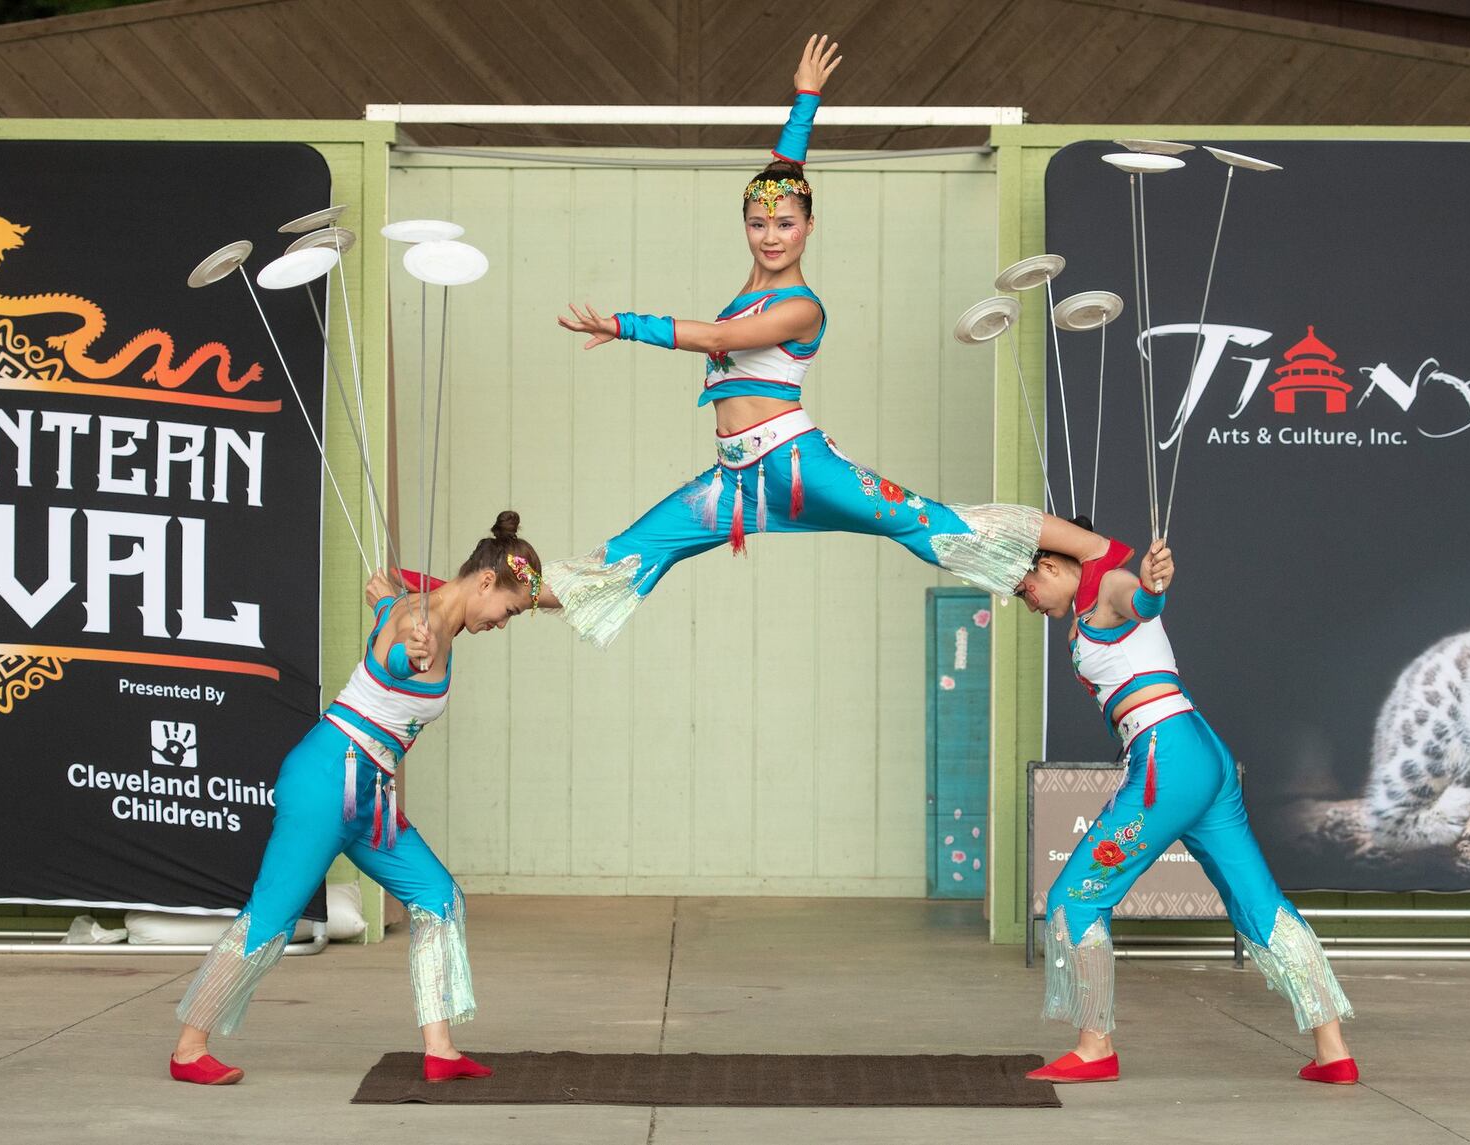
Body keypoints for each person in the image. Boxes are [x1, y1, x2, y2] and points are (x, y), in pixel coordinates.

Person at [544, 35, 1107, 644]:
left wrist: (623, 325)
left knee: (928, 526)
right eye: (758, 224)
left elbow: (718, 336)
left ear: (810, 227)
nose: (770, 236)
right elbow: (783, 175)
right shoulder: (752, 282)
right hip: (735, 483)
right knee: (630, 555)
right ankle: (495, 589)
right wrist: (806, 97)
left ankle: (1096, 552)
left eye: (786, 224)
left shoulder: (801, 308)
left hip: (801, 465)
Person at [167, 512, 543, 1086]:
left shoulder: (432, 599)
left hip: (370, 797)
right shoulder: (420, 628)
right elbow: (398, 648)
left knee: (438, 898)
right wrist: (404, 643)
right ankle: (189, 1050)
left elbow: (390, 581)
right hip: (325, 780)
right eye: (509, 612)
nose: (503, 623)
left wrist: (387, 593)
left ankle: (440, 1050)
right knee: (271, 917)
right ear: (486, 583)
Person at [1017, 525, 1358, 1085]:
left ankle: (1095, 1047)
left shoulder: (1106, 588)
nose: (1026, 601)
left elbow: (1140, 600)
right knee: (1258, 903)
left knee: (1072, 900)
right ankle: (1332, 1050)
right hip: (1202, 753)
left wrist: (1152, 587)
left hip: (1166, 758)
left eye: (1023, 587)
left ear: (1050, 566)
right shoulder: (1086, 605)